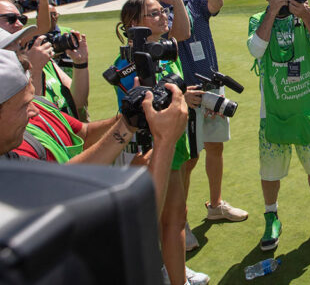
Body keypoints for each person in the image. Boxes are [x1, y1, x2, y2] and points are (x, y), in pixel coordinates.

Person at [0, 48, 187, 219]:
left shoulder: (9, 158)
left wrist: (130, 119)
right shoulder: (13, 169)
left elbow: (83, 137)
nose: (34, 111)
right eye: (24, 105)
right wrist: (165, 141)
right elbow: (139, 222)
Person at [144, 0, 248, 251]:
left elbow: (217, 3)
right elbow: (179, 34)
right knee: (188, 160)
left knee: (216, 147)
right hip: (183, 93)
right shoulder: (154, 14)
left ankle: (215, 205)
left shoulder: (194, 1)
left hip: (211, 85)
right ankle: (180, 220)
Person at [112, 0, 208, 285]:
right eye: (154, 14)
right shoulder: (127, 65)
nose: (163, 16)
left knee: (175, 217)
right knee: (171, 218)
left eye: (162, 10)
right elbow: (141, 107)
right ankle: (170, 275)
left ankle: (172, 267)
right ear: (133, 25)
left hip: (173, 143)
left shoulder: (164, 52)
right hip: (153, 148)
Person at [246, 0, 310, 251]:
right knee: (270, 170)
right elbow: (255, 50)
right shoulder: (259, 19)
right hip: (273, 109)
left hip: (307, 106)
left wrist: (307, 16)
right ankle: (271, 216)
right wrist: (272, 13)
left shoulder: (306, 14)